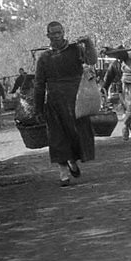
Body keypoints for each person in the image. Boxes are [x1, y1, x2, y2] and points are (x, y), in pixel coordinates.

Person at [33, 22, 97, 187]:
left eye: (58, 32)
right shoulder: (44, 58)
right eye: (52, 33)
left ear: (63, 32)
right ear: (47, 35)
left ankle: (72, 161)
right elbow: (39, 84)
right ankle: (63, 173)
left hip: (77, 99)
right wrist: (37, 108)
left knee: (77, 134)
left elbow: (92, 60)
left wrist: (88, 43)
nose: (56, 36)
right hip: (54, 102)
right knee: (57, 137)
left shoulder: (76, 50)